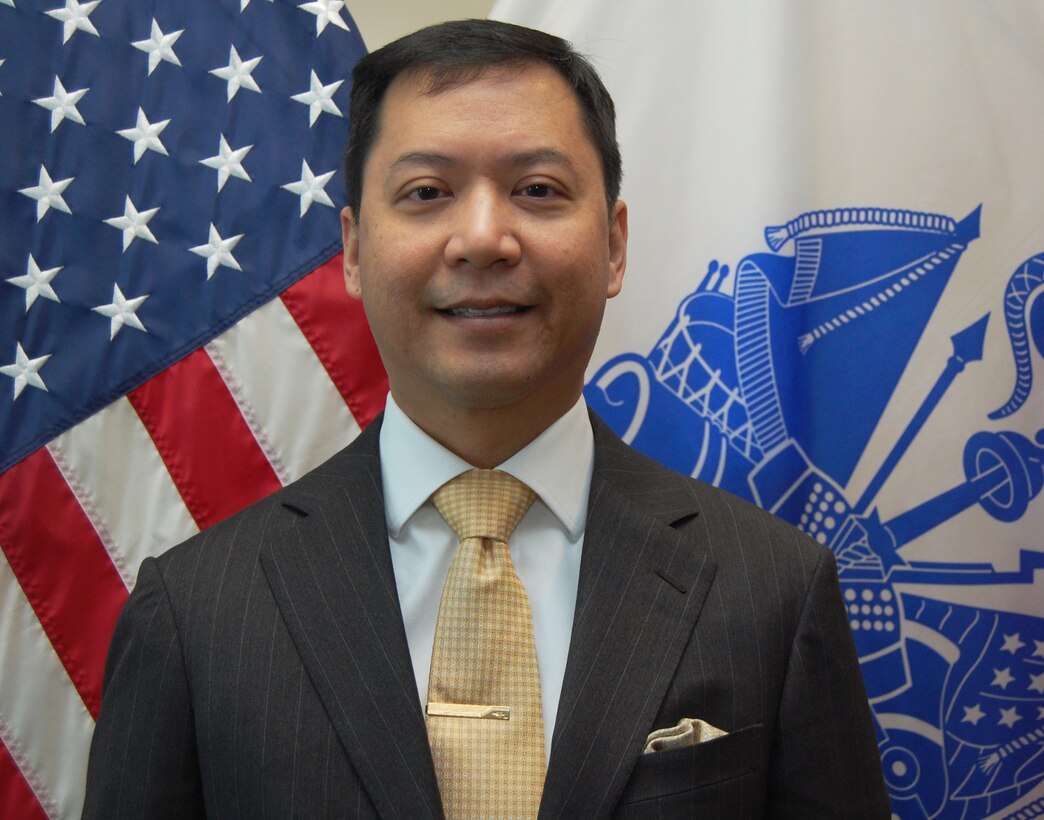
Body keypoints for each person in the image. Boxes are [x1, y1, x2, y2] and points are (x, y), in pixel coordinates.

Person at [83, 19, 889, 818]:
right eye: (427, 193)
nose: (481, 239)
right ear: (355, 251)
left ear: (613, 246)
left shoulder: (775, 590)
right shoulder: (194, 613)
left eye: (537, 190)